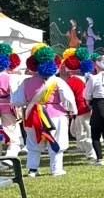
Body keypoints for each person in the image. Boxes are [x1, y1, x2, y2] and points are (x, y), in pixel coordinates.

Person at [14, 46, 77, 177]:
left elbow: (18, 101)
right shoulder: (57, 81)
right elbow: (68, 99)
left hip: (33, 115)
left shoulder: (25, 82)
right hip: (56, 115)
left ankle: (32, 169)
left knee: (32, 142)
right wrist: (71, 110)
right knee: (57, 141)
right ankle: (56, 169)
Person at [0, 43, 25, 157]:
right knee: (11, 131)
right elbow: (14, 93)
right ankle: (11, 155)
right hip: (7, 106)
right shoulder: (10, 77)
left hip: (6, 104)